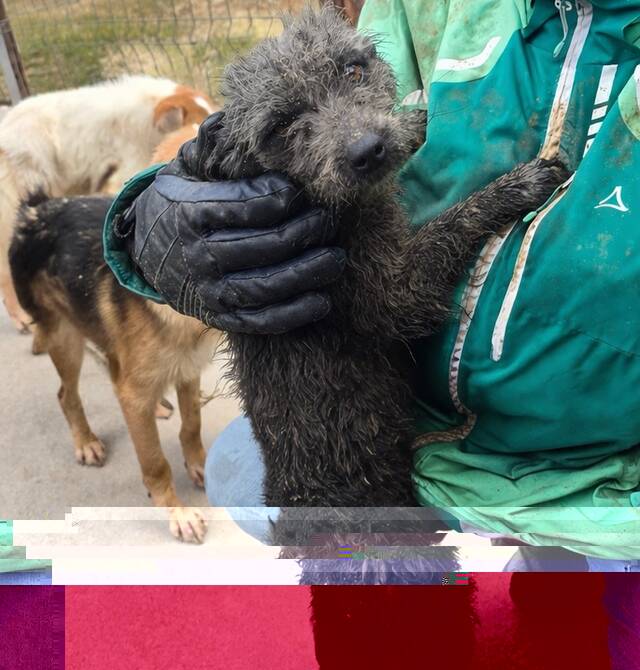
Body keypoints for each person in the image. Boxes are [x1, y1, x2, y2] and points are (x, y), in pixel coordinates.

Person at [103, 0, 640, 571]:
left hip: (594, 482)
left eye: (354, 73)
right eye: (287, 129)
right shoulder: (305, 214)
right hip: (370, 496)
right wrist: (148, 216)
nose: (357, 136)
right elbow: (401, 298)